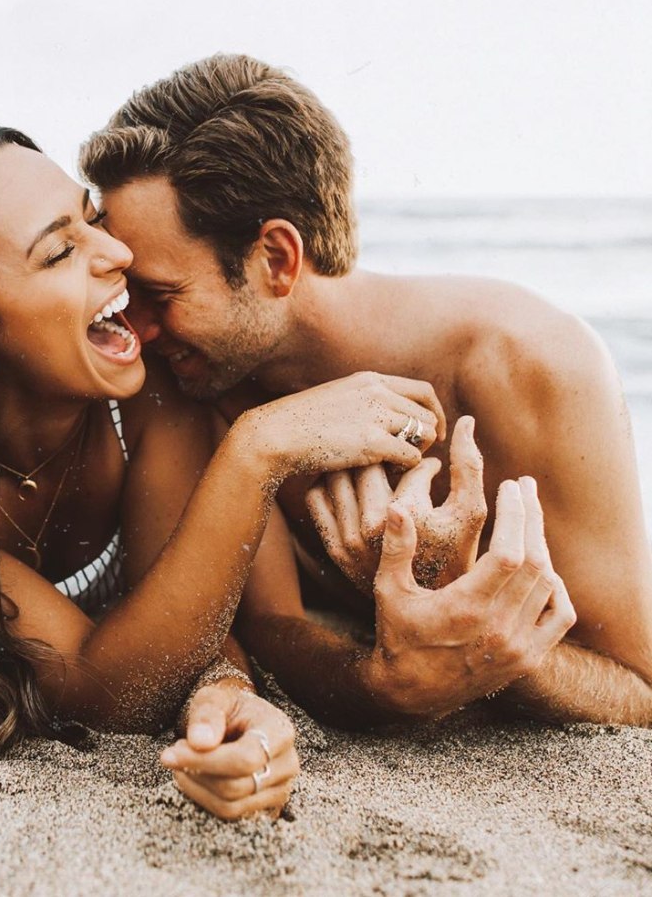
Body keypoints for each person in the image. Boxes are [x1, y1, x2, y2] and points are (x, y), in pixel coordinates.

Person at [0, 119, 461, 819]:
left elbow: (192, 600)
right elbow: (105, 693)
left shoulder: (139, 386)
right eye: (60, 251)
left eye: (91, 218)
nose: (116, 252)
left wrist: (223, 693)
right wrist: (257, 448)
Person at [79, 53, 652, 727]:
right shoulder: (203, 373)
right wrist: (377, 685)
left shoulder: (526, 362)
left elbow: (636, 689)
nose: (135, 328)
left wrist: (484, 636)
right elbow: (271, 623)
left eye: (160, 293)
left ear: (275, 258)